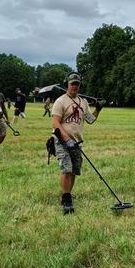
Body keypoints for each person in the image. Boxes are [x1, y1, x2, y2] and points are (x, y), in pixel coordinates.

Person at [52, 72, 103, 214]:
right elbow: (55, 123)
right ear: (67, 85)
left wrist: (98, 109)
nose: (74, 86)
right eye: (72, 83)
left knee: (74, 171)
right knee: (66, 169)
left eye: (77, 84)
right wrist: (66, 139)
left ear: (80, 86)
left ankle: (67, 193)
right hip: (62, 141)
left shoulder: (83, 102)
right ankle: (66, 200)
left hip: (77, 142)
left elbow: (91, 120)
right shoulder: (60, 101)